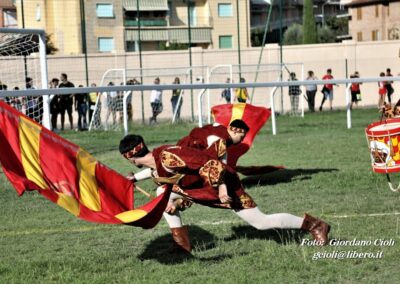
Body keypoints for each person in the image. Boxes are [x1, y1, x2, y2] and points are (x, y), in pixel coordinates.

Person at [119, 123, 330, 253]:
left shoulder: (168, 157)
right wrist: (137, 181)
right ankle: (182, 246)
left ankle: (315, 225)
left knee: (261, 222)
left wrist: (221, 190)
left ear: (130, 158)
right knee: (162, 195)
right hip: (203, 189)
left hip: (224, 186)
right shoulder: (158, 162)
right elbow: (162, 176)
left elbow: (212, 164)